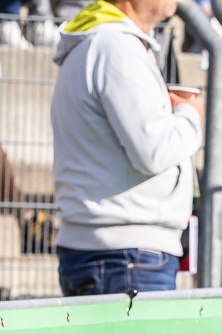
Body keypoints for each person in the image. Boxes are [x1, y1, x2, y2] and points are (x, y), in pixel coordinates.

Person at [50, 0, 204, 296]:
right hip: (127, 256)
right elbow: (154, 152)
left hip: (115, 253)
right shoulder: (116, 48)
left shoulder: (102, 43)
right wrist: (190, 115)